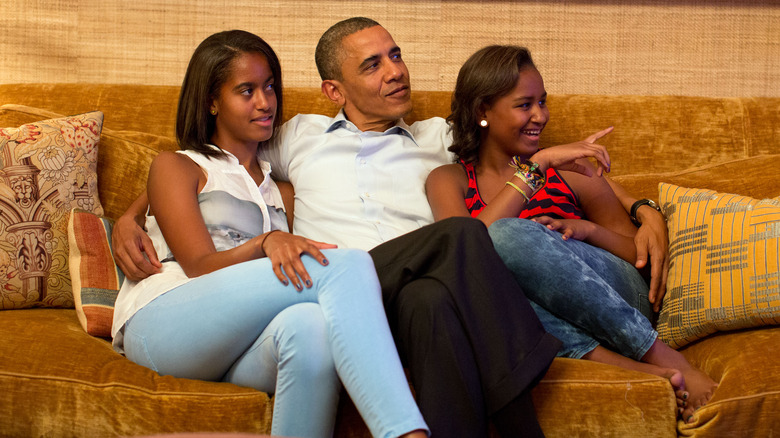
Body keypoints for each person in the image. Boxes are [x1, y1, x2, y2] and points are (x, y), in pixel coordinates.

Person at [111, 18, 670, 436]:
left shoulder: (437, 138)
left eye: (395, 55)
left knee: (433, 296)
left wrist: (642, 206)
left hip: (405, 296)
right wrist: (132, 216)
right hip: (340, 282)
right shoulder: (296, 134)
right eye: (373, 64)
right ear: (335, 90)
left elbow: (529, 151)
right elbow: (208, 164)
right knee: (461, 236)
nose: (395, 70)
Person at [110, 30, 429, 438]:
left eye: (269, 87)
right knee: (343, 266)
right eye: (246, 91)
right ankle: (405, 433)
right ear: (211, 101)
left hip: (235, 339)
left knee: (311, 326)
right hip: (164, 321)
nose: (265, 102)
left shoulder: (281, 189)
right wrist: (263, 242)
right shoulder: (179, 165)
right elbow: (200, 267)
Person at [426, 44, 718, 423]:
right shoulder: (448, 180)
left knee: (510, 236)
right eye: (524, 104)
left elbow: (636, 257)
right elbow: (465, 254)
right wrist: (536, 167)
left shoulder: (572, 171)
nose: (540, 116)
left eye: (542, 102)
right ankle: (638, 371)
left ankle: (662, 354)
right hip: (532, 314)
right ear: (483, 111)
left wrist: (589, 230)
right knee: (479, 284)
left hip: (618, 299)